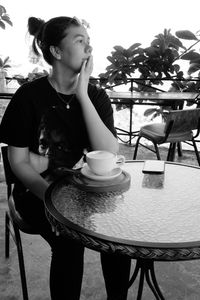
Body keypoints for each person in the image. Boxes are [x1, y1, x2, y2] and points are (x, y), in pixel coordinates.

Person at [0, 16, 131, 299]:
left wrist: (82, 94)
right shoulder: (28, 97)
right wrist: (52, 199)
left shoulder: (95, 96)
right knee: (70, 243)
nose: (89, 47)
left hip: (84, 189)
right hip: (37, 191)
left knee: (117, 235)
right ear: (57, 52)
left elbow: (109, 153)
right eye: (80, 40)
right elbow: (18, 162)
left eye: (88, 40)